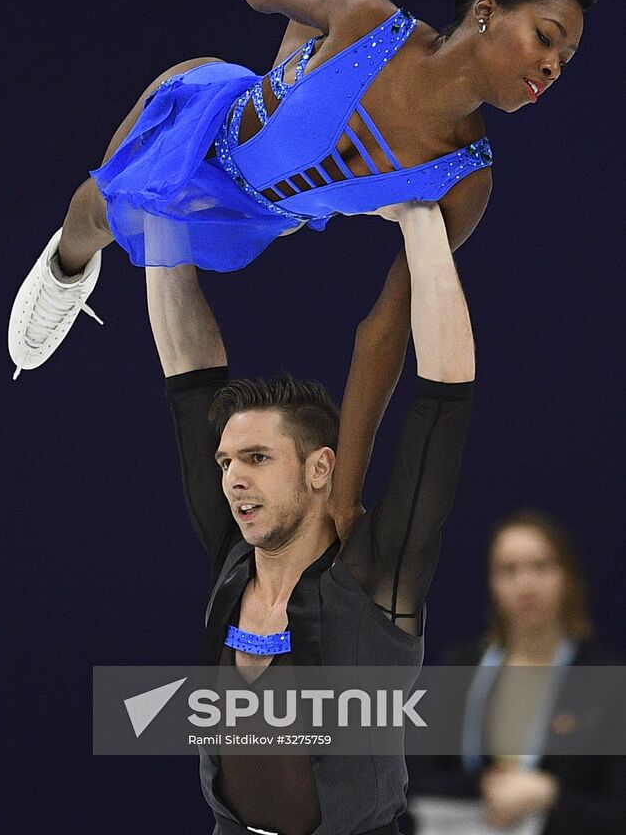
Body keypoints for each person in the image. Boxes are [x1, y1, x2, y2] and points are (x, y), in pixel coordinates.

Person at [8, 0, 598, 378]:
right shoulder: (374, 21)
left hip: (277, 192)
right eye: (546, 39)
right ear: (488, 11)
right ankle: (66, 267)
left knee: (309, 66)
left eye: (566, 59)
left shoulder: (466, 175)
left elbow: (393, 323)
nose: (553, 67)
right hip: (207, 119)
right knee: (99, 211)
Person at [148, 196, 475, 835]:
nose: (233, 478)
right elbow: (187, 375)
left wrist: (419, 221)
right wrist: (159, 208)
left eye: (258, 457)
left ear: (319, 468)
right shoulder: (233, 553)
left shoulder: (376, 576)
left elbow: (444, 400)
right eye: (225, 463)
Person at [405, 512, 626, 835]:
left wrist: (550, 795)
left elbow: (617, 808)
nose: (525, 584)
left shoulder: (606, 680)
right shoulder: (461, 665)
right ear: (491, 584)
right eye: (508, 570)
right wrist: (484, 787)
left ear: (568, 576)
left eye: (541, 566)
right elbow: (412, 776)